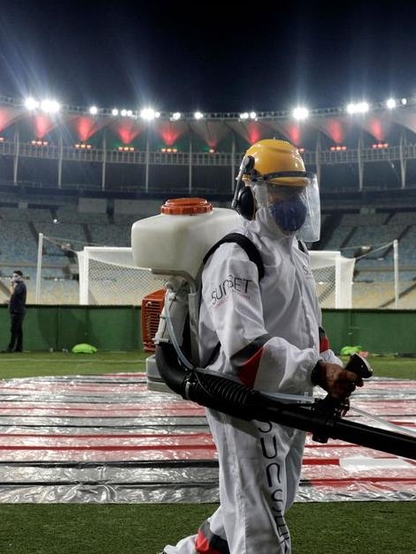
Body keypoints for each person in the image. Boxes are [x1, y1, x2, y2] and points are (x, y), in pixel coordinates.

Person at [161, 139, 362, 554]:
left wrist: (330, 366)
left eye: (298, 191)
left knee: (264, 502)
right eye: (280, 191)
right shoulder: (236, 254)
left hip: (290, 397)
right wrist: (315, 371)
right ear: (249, 193)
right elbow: (244, 350)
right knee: (262, 526)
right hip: (247, 404)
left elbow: (311, 331)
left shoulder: (298, 252)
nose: (293, 201)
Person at [3, 270, 27, 353]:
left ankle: (10, 347)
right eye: (13, 276)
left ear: (20, 277)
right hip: (17, 309)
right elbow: (17, 298)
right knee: (18, 330)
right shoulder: (19, 286)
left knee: (14, 330)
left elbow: (13, 293)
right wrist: (9, 302)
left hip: (18, 311)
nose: (13, 278)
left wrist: (11, 285)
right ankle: (19, 347)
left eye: (15, 276)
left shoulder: (21, 285)